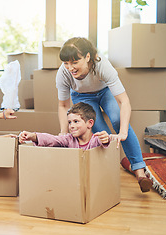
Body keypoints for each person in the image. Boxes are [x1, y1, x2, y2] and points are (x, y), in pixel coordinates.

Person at [55, 37, 152, 193]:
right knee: (100, 132)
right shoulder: (63, 73)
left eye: (75, 62)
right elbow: (63, 105)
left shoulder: (102, 65)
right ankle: (110, 174)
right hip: (82, 96)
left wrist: (123, 131)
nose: (70, 68)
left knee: (118, 119)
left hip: (104, 92)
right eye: (66, 63)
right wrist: (63, 132)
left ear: (87, 57)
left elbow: (123, 102)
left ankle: (140, 173)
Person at [19, 102, 116, 149]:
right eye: (69, 122)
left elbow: (105, 143)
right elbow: (52, 139)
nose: (71, 126)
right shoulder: (69, 139)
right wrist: (33, 136)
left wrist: (106, 139)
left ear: (90, 123)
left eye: (76, 121)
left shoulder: (95, 140)